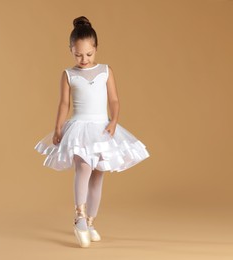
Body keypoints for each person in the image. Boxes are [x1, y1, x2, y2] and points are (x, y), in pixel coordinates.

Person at [34, 16, 150, 248]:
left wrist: (114, 120)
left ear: (96, 49)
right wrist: (57, 127)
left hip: (101, 127)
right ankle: (79, 217)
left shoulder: (106, 71)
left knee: (98, 175)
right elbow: (64, 105)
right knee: (83, 167)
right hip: (78, 126)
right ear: (71, 50)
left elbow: (114, 100)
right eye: (78, 55)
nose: (84, 59)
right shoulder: (68, 74)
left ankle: (91, 221)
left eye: (88, 54)